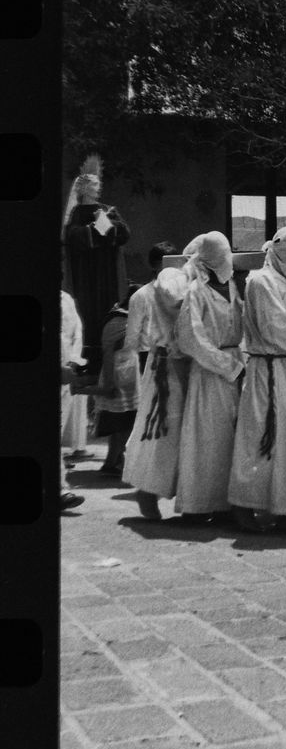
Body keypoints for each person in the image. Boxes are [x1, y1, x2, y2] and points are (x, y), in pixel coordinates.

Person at [228, 227, 286, 532]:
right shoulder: (261, 282)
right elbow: (274, 327)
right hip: (268, 371)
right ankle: (243, 503)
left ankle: (282, 506)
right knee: (260, 437)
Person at [174, 232, 244, 521]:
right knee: (207, 440)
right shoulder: (197, 291)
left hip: (235, 368)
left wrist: (240, 360)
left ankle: (226, 504)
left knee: (231, 440)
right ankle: (198, 504)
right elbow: (190, 338)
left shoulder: (232, 288)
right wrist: (225, 364)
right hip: (210, 372)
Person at [123, 267, 191, 521]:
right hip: (167, 365)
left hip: (183, 363)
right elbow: (174, 301)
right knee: (165, 432)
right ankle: (148, 491)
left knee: (184, 432)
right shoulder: (173, 278)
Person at [62, 159, 130, 370]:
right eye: (94, 184)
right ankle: (88, 359)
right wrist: (95, 229)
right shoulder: (76, 214)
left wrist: (105, 224)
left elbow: (124, 233)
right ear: (83, 188)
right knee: (86, 311)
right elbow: (71, 237)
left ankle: (107, 357)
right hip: (85, 275)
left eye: (98, 183)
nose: (98, 186)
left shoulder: (108, 210)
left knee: (107, 308)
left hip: (106, 273)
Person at [86, 291, 140, 477]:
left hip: (129, 375)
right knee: (121, 423)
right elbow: (108, 353)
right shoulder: (117, 321)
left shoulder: (129, 318)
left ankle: (114, 461)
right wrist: (109, 383)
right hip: (117, 375)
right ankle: (114, 461)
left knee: (124, 422)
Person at [125, 241, 177, 373]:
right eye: (164, 264)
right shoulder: (141, 296)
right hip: (149, 357)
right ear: (154, 265)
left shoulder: (184, 293)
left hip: (177, 355)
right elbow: (132, 337)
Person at [60, 288, 86, 512]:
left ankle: (59, 489)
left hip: (63, 378)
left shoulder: (66, 298)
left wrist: (73, 363)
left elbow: (76, 333)